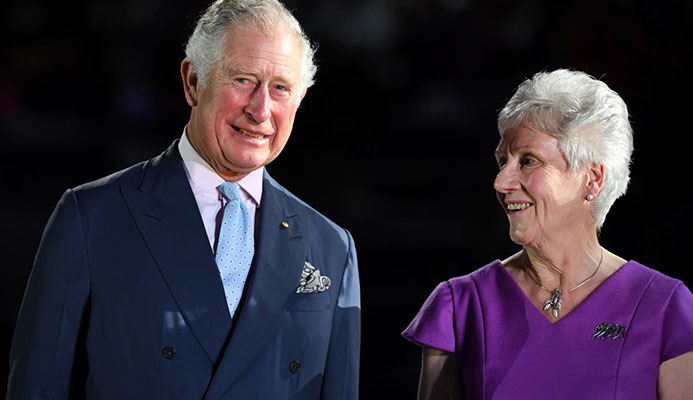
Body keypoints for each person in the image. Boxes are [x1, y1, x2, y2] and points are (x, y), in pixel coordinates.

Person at [8, 0, 360, 398]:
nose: (261, 110)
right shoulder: (91, 218)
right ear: (193, 81)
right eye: (243, 80)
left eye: (280, 88)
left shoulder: (331, 247)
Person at [402, 69, 693, 399]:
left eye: (527, 161)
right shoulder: (459, 305)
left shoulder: (665, 307)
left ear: (592, 179)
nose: (501, 182)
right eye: (502, 162)